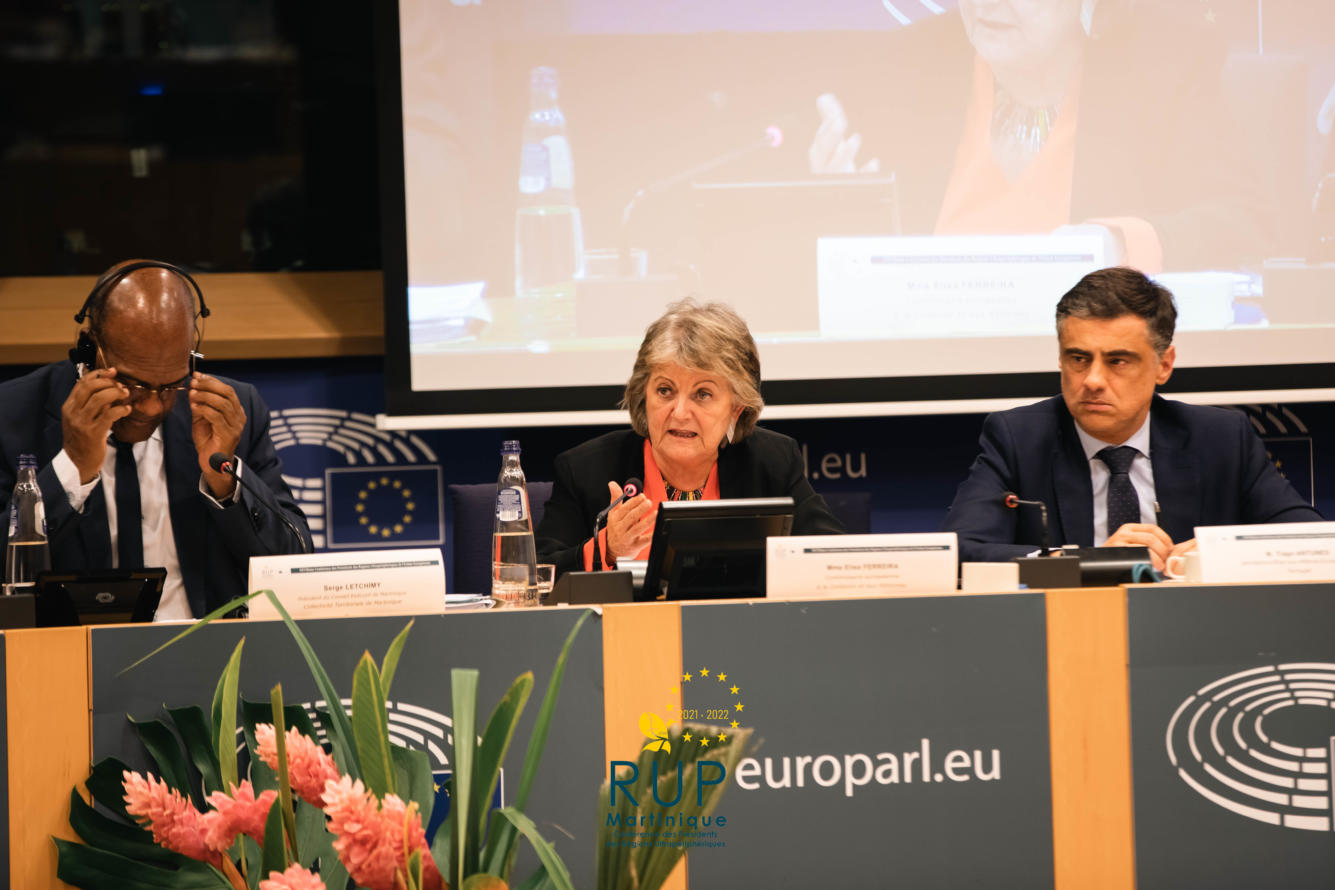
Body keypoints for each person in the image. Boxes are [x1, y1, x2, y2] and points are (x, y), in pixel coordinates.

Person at [807, 0, 1270, 272]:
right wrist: (842, 210)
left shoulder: (1164, 63)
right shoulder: (904, 66)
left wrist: (1118, 246)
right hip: (935, 375)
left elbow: (1244, 226)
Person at [942, 266, 1322, 567]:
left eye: (1118, 361)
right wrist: (1086, 561)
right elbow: (961, 553)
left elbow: (1312, 541)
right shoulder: (1019, 439)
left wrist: (1218, 552)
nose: (1092, 380)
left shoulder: (1220, 438)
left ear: (1164, 365)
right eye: (1078, 358)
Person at [0, 260, 311, 619]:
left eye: (170, 385)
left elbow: (294, 568)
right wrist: (72, 469)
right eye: (132, 383)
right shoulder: (13, 414)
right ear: (89, 348)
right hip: (64, 647)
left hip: (207, 645)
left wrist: (224, 482)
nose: (151, 406)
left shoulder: (228, 413)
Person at [536, 298, 844, 577]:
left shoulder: (771, 463)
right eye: (665, 390)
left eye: (703, 394)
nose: (680, 412)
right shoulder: (586, 471)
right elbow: (536, 577)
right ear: (644, 395)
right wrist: (608, 549)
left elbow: (834, 558)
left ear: (736, 408)